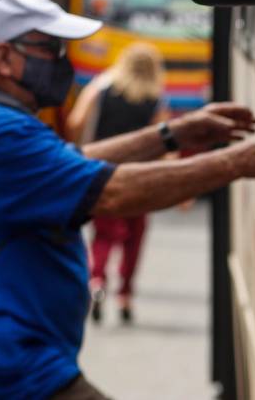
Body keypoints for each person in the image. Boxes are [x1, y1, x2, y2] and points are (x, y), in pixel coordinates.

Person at [0, 0, 255, 400]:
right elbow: (112, 192)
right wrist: (237, 162)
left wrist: (171, 135)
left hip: (8, 369)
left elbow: (74, 161)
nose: (61, 61)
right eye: (50, 48)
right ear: (3, 58)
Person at [67, 42, 168, 324]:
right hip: (140, 176)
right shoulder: (154, 97)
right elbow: (166, 139)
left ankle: (97, 281)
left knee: (104, 235)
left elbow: (76, 121)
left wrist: (84, 147)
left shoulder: (101, 88)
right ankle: (125, 295)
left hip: (103, 172)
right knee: (134, 237)